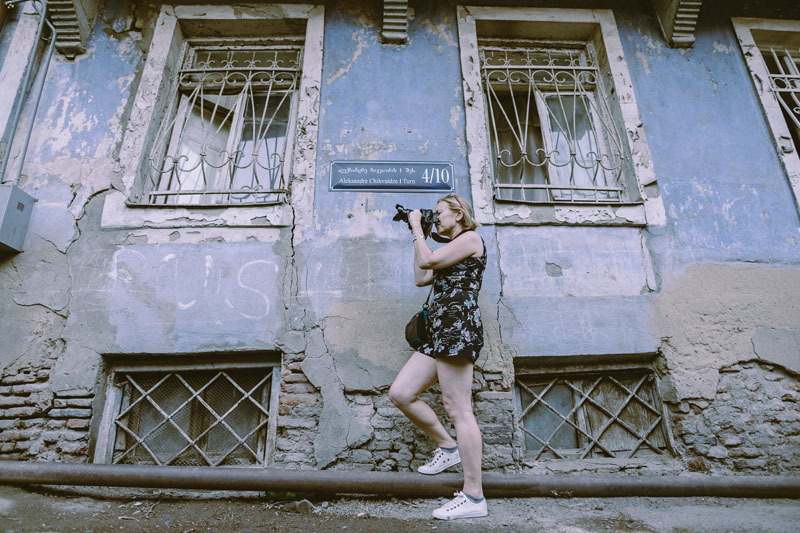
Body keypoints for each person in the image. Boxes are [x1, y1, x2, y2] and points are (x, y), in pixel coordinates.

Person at [388, 193, 488, 520]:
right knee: (401, 392)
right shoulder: (447, 251)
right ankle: (447, 447)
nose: (436, 217)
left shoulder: (470, 239)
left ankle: (474, 496)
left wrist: (418, 228)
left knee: (458, 409)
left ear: (458, 214)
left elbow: (429, 260)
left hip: (458, 328)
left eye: (440, 213)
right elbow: (421, 276)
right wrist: (418, 234)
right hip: (438, 332)